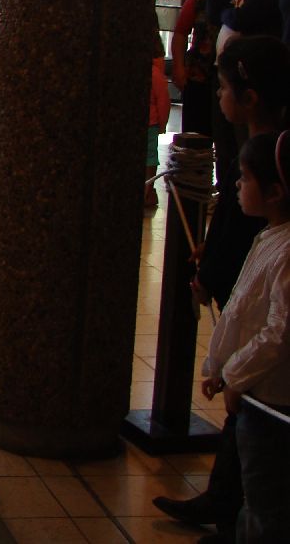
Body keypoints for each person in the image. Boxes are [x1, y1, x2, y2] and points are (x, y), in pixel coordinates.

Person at [155, 36, 290, 536]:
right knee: (244, 427)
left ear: (249, 97)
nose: (217, 94)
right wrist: (208, 256)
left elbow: (246, 238)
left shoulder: (271, 158)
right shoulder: (257, 150)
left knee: (256, 439)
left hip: (259, 342)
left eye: (224, 86)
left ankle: (230, 510)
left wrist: (212, 274)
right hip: (245, 314)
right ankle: (224, 501)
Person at [200, 131, 290, 543]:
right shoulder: (271, 236)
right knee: (255, 493)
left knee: (265, 500)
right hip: (255, 392)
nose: (237, 184)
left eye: (246, 178)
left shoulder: (286, 251)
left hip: (269, 400)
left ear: (275, 192)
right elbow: (244, 312)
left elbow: (278, 333)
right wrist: (221, 368)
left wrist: (235, 374)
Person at [173, 0, 238, 137]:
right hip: (198, 71)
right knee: (195, 131)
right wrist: (178, 66)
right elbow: (180, 33)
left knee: (226, 133)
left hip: (230, 74)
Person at [144, 33, 170, 208]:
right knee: (151, 158)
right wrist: (162, 124)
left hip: (147, 124)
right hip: (151, 124)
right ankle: (148, 190)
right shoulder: (156, 75)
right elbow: (163, 102)